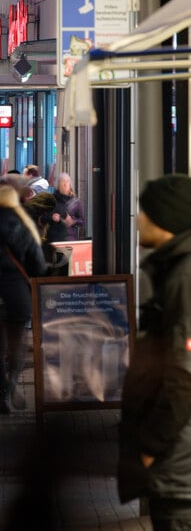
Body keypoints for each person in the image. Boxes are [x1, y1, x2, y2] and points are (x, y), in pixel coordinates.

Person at [119, 175, 191, 528]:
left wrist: (149, 447)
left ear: (167, 218)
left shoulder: (184, 278)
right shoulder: (176, 271)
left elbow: (185, 375)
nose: (138, 219)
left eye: (144, 211)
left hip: (180, 465)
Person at [0, 185, 47, 415]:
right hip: (18, 293)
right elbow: (38, 265)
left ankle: (2, 396)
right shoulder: (24, 227)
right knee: (17, 344)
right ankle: (10, 389)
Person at [46, 172, 86, 242]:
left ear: (70, 184)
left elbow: (82, 221)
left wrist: (73, 221)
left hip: (70, 239)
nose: (65, 184)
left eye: (67, 181)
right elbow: (43, 216)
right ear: (58, 185)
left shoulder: (76, 202)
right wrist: (51, 217)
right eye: (62, 181)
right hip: (54, 239)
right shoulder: (51, 200)